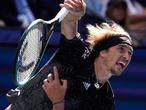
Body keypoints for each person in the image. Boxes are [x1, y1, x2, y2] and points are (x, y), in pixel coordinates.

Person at [5, 0, 133, 110]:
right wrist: (76, 12)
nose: (126, 57)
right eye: (121, 49)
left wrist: (58, 102)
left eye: (130, 53)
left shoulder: (106, 100)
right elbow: (69, 22)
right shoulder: (77, 54)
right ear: (103, 52)